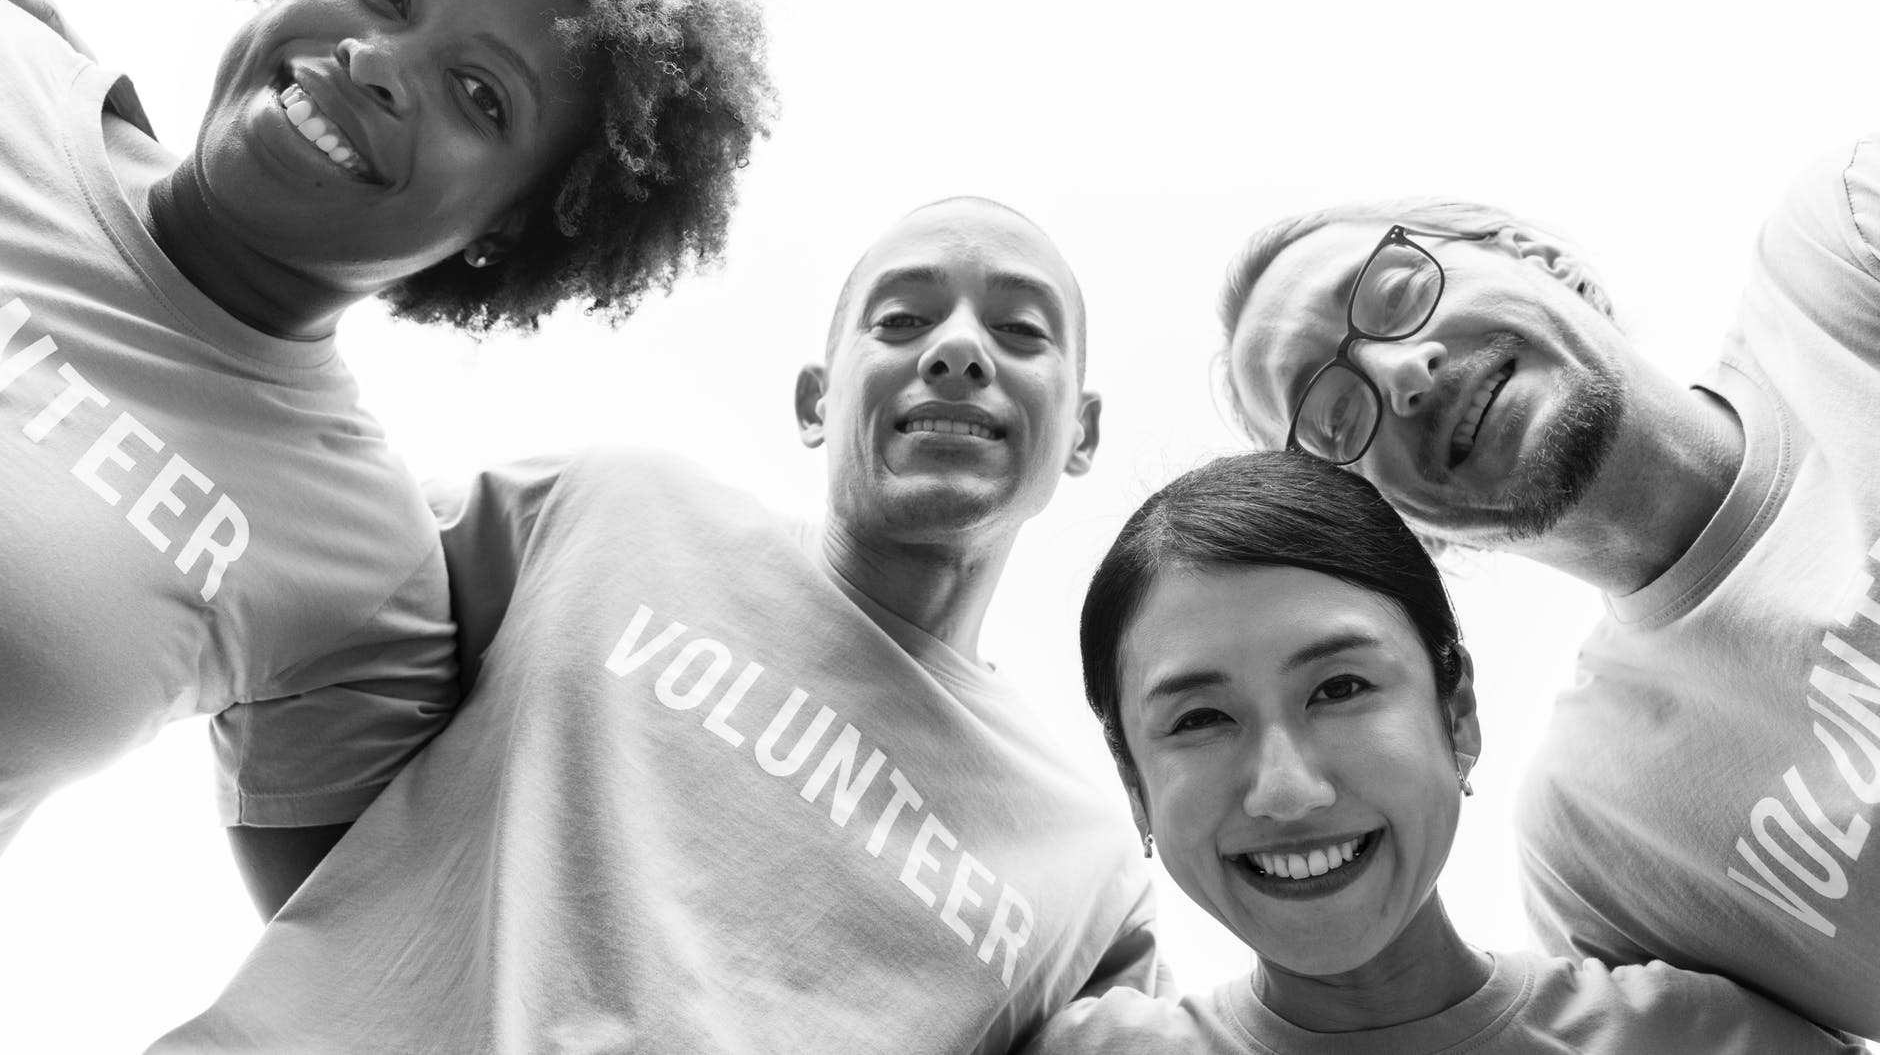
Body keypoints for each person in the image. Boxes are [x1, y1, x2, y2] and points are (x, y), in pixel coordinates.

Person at [150, 197, 1163, 1054]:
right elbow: (297, 555)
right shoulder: (611, 510)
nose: (954, 351)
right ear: (816, 399)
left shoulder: (1091, 869)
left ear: (1081, 430)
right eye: (899, 321)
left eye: (1020, 332)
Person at [0, 0, 772, 918]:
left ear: (510, 226)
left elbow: (387, 976)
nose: (375, 59)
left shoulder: (360, 569)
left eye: (479, 95)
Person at [1214, 152, 1880, 1037]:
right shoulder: (1599, 848)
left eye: (1398, 287)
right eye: (1336, 418)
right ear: (1383, 516)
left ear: (1532, 256)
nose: (1404, 373)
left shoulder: (1839, 254)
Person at [1030, 450, 1858, 1053]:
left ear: (1456, 713)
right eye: (1202, 718)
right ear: (1135, 785)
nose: (1287, 790)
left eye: (1340, 688)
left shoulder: (1708, 1042)